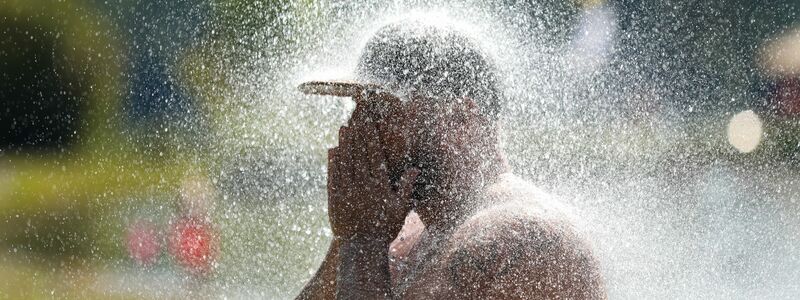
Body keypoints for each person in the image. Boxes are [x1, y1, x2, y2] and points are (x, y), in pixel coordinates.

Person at [296, 19, 606, 299]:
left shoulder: (520, 239)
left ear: (461, 120)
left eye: (381, 108)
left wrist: (362, 241)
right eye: (359, 109)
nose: (358, 127)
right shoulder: (400, 232)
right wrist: (350, 236)